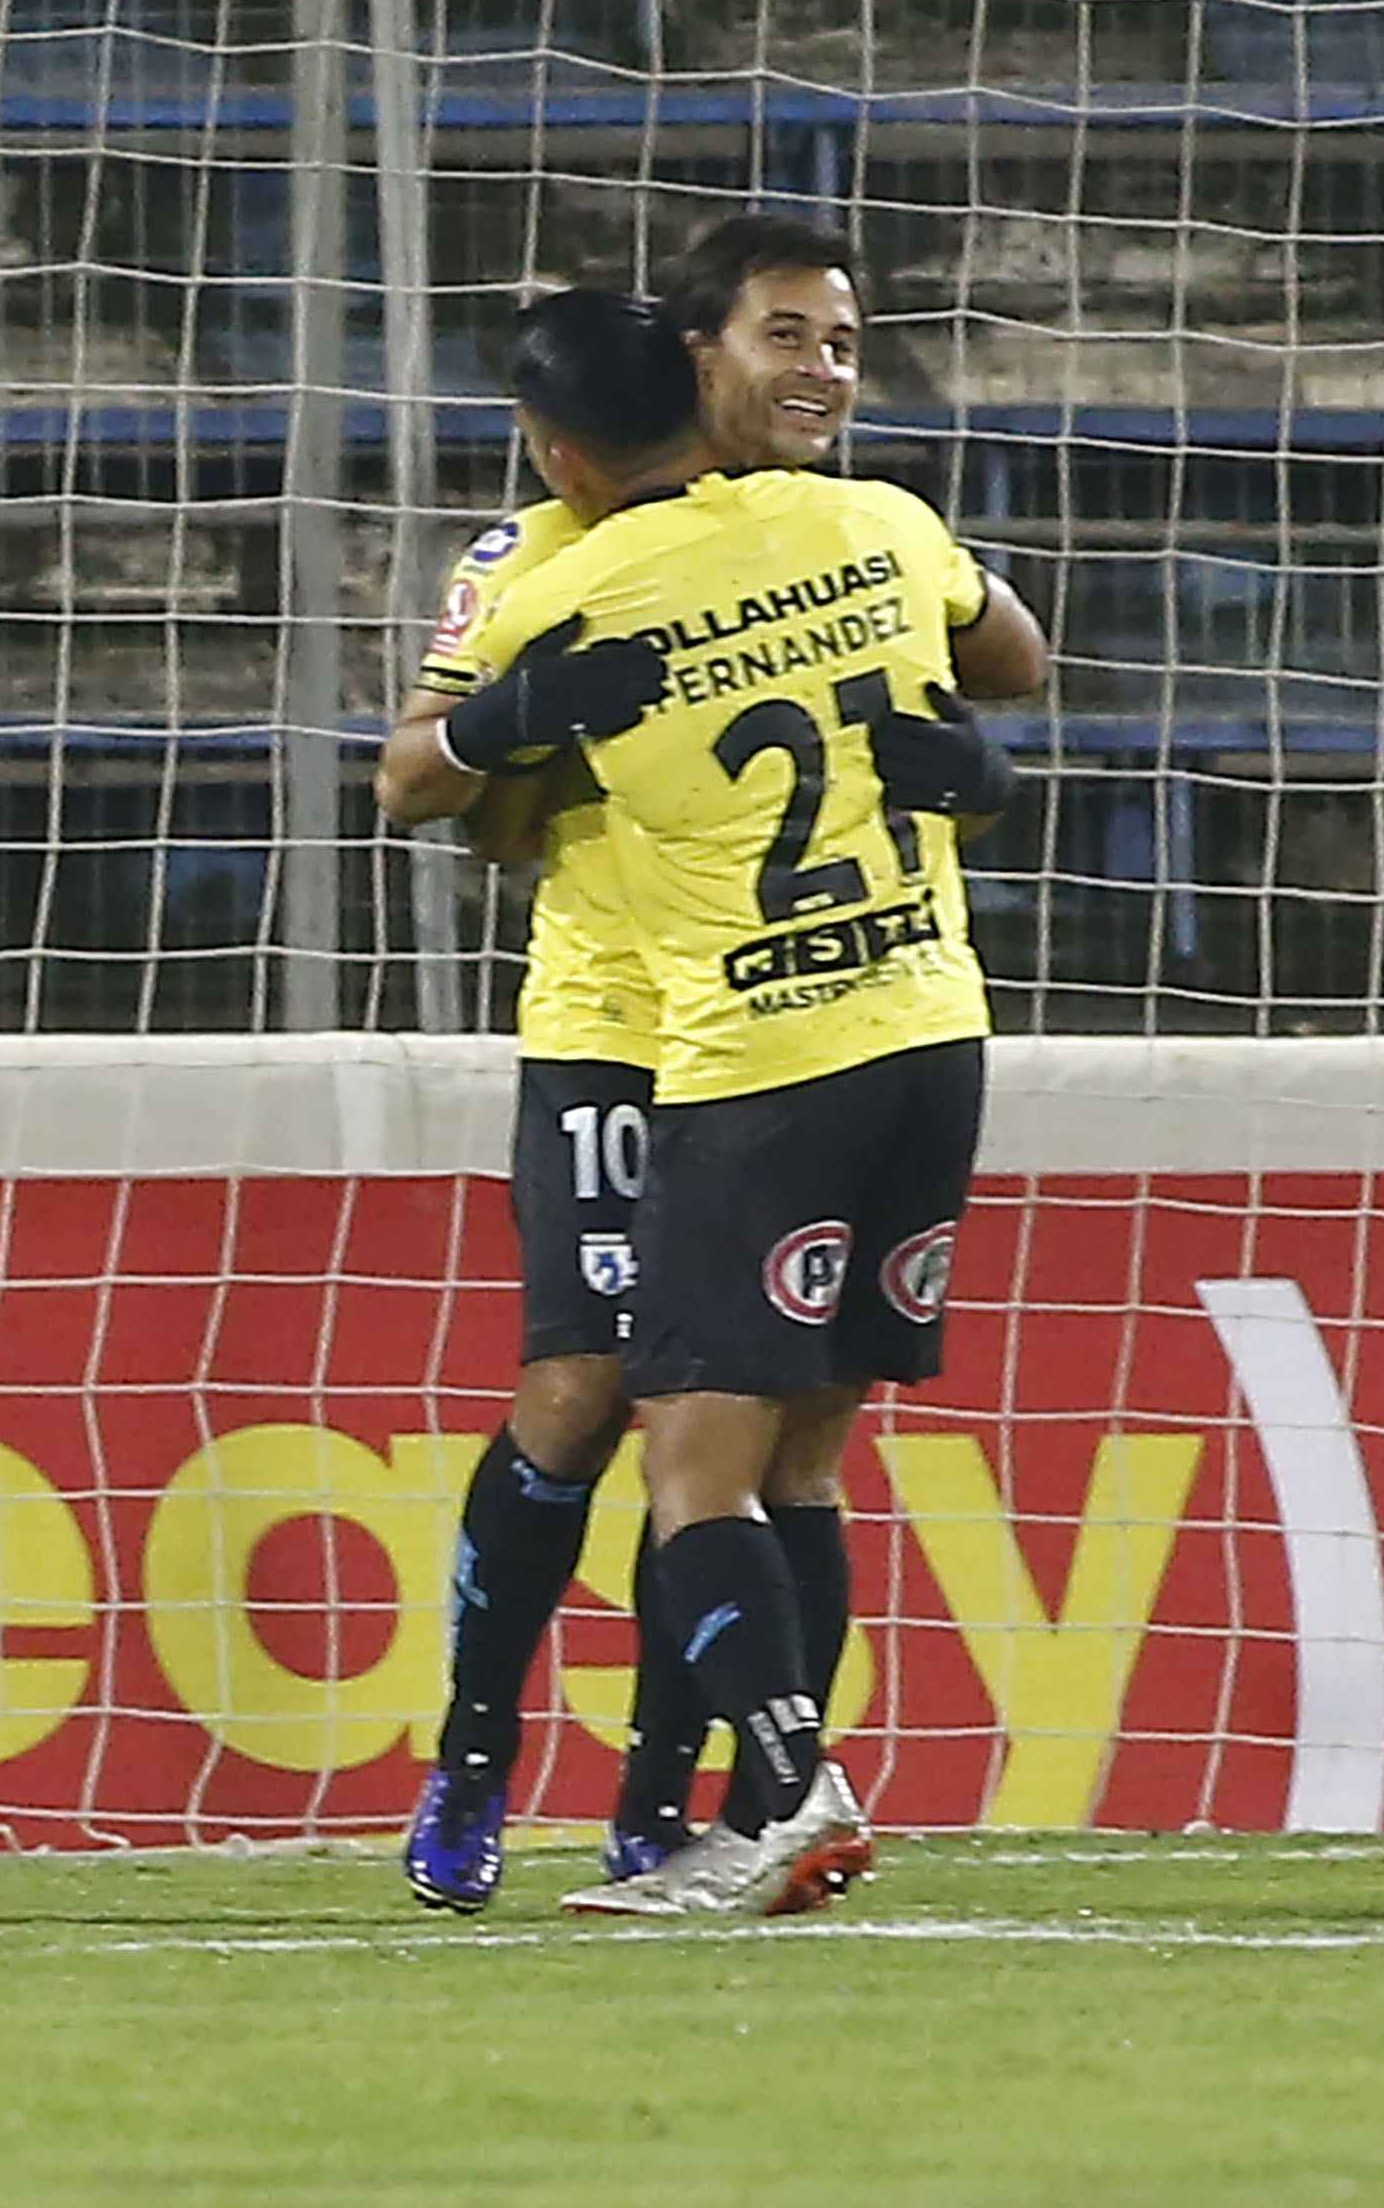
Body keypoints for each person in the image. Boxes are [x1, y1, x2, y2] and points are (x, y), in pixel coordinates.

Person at [376, 221, 1048, 1915]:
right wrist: (510, 742)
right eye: (784, 337)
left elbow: (995, 682)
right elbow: (451, 801)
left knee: (748, 1434)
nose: (819, 369)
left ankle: (688, 1800)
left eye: (841, 342)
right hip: (618, 1014)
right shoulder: (530, 557)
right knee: (588, 1393)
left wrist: (973, 765)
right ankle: (471, 1764)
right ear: (697, 358)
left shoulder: (862, 529)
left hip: (772, 1027)